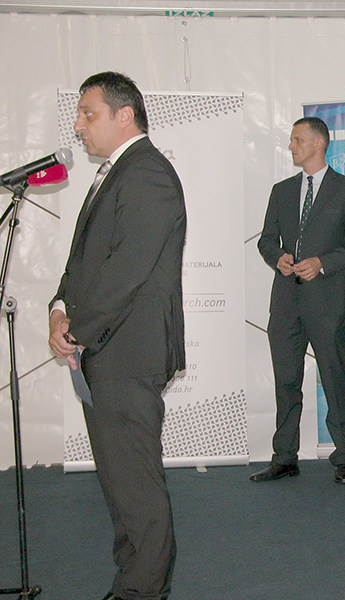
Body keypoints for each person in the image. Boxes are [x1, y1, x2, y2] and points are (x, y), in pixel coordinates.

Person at [48, 72, 186, 600]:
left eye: (89, 113)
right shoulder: (115, 173)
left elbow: (127, 270)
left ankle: (143, 591)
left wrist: (77, 330)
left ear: (124, 115)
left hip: (128, 352)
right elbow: (84, 262)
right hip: (105, 349)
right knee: (119, 482)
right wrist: (60, 309)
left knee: (136, 485)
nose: (78, 126)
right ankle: (132, 578)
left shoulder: (147, 174)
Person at [252, 116, 345, 485]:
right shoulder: (282, 191)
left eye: (297, 139)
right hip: (286, 302)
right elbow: (266, 240)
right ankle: (284, 457)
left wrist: (322, 263)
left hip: (328, 302)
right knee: (286, 381)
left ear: (319, 143)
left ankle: (344, 458)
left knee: (335, 379)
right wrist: (278, 258)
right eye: (291, 140)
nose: (291, 146)